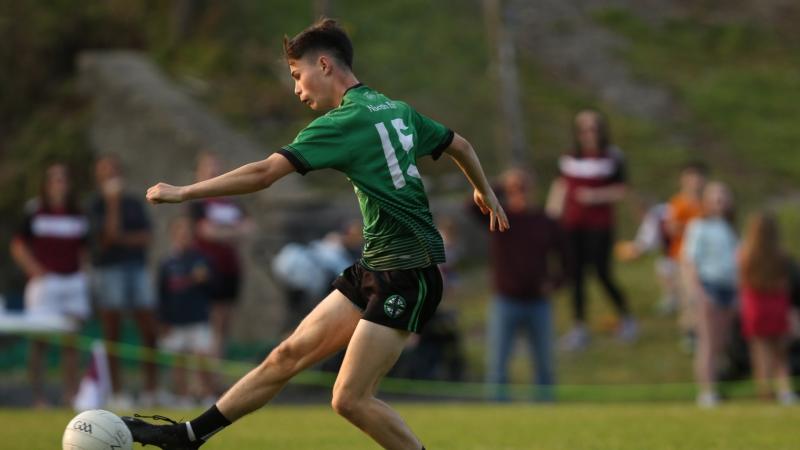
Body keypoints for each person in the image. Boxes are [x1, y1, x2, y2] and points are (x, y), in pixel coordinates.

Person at [122, 18, 508, 450]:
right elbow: (460, 145)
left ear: (323, 65)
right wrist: (483, 189)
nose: (296, 88)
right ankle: (188, 436)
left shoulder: (344, 122)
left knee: (349, 399)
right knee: (286, 355)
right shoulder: (394, 109)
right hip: (377, 266)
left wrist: (185, 191)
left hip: (409, 273)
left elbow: (264, 173)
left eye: (296, 74)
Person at [471, 168, 567, 401]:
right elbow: (470, 206)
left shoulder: (545, 221)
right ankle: (497, 409)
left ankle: (545, 409)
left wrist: (554, 283)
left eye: (523, 188)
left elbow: (568, 260)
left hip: (538, 302)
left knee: (544, 364)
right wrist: (499, 185)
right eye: (514, 189)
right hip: (506, 300)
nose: (520, 193)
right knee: (498, 364)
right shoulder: (499, 215)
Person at [547, 110, 634, 351]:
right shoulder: (569, 158)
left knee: (602, 273)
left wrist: (595, 196)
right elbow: (560, 187)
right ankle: (579, 328)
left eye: (593, 128)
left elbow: (621, 189)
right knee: (574, 276)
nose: (589, 134)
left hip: (599, 226)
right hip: (572, 225)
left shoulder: (612, 156)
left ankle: (626, 317)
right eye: (583, 129)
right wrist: (550, 219)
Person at [9, 163, 90, 407]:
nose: (59, 184)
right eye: (55, 179)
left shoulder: (77, 212)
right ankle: (39, 398)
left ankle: (71, 395)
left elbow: (83, 248)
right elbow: (18, 245)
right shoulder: (35, 210)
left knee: (72, 342)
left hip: (72, 281)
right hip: (45, 284)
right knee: (40, 341)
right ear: (46, 184)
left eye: (63, 179)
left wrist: (83, 272)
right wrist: (34, 270)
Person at [88, 154, 159, 408]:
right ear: (98, 176)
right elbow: (108, 236)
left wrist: (121, 239)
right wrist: (113, 204)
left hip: (137, 268)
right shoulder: (95, 204)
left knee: (149, 330)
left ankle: (151, 390)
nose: (111, 175)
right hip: (108, 271)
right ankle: (116, 391)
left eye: (114, 170)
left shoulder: (134, 202)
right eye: (105, 171)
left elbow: (146, 237)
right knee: (113, 334)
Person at [189, 151, 254, 360]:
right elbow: (206, 232)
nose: (213, 171)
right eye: (208, 167)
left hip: (230, 268)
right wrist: (233, 231)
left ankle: (217, 365)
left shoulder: (231, 202)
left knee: (225, 322)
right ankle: (207, 371)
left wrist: (222, 232)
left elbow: (249, 228)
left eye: (216, 167)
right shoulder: (198, 202)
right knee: (210, 322)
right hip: (207, 269)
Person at [682, 181, 738, 407]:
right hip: (709, 286)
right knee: (707, 342)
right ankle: (707, 391)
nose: (720, 201)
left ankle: (716, 386)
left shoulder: (730, 228)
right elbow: (690, 261)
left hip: (728, 288)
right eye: (715, 196)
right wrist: (697, 291)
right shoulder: (699, 226)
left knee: (721, 343)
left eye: (723, 195)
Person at [157, 216, 217, 407]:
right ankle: (183, 397)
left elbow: (214, 289)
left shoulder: (202, 260)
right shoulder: (167, 263)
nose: (183, 236)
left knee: (203, 359)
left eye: (186, 233)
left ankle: (208, 395)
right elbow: (162, 294)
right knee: (178, 361)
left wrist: (205, 280)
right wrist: (163, 321)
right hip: (176, 320)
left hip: (198, 318)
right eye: (179, 232)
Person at [738, 212, 797, 405]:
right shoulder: (781, 255)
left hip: (755, 305)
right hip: (776, 304)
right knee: (781, 352)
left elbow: (742, 282)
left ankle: (765, 392)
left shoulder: (746, 254)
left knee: (760, 352)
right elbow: (786, 283)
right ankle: (785, 390)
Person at [666, 161, 708, 350]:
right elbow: (671, 227)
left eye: (698, 177)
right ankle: (689, 332)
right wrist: (695, 229)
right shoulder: (678, 202)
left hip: (706, 258)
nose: (695, 181)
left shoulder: (707, 203)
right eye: (691, 178)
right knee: (688, 296)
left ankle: (703, 330)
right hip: (683, 257)